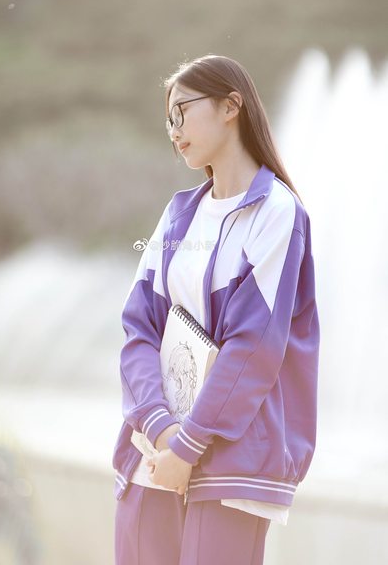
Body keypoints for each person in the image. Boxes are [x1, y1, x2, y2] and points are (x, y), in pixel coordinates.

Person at [112, 54, 320, 565]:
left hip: (231, 463)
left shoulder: (277, 213)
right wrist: (162, 430)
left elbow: (253, 348)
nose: (173, 129)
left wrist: (188, 447)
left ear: (231, 106)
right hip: (153, 453)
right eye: (168, 119)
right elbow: (139, 330)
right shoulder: (178, 215)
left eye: (182, 111)